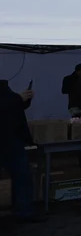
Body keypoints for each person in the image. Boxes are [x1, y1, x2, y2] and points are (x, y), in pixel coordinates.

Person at [0, 80, 42, 222]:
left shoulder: (3, 86)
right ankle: (23, 210)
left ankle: (23, 210)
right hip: (8, 139)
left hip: (12, 138)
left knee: (22, 175)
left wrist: (24, 100)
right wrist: (18, 98)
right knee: (21, 175)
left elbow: (12, 108)